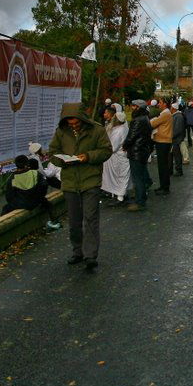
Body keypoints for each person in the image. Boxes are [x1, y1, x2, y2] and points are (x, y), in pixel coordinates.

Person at [49, 103, 112, 271]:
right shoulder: (61, 132)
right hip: (70, 181)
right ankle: (77, 251)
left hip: (90, 180)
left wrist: (89, 156)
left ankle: (90, 255)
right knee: (74, 220)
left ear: (82, 119)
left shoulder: (97, 130)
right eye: (70, 123)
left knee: (91, 218)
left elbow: (106, 150)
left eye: (76, 122)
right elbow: (52, 152)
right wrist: (61, 160)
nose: (73, 125)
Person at [123, 100, 153, 211]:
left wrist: (125, 145)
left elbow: (131, 136)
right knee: (140, 175)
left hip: (136, 151)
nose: (132, 108)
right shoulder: (145, 118)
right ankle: (141, 198)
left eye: (134, 106)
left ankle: (140, 201)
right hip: (142, 151)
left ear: (139, 107)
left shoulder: (138, 120)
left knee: (137, 178)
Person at [1, 155, 52, 221]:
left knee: (5, 208)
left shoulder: (12, 178)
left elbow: (9, 196)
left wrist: (18, 202)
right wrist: (39, 198)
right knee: (47, 203)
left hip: (20, 204)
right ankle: (53, 220)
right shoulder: (35, 173)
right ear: (27, 164)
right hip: (36, 201)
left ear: (16, 165)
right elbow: (44, 186)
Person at [101, 108, 130, 206]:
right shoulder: (122, 127)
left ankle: (120, 197)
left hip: (118, 157)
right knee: (121, 176)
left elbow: (113, 146)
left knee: (120, 176)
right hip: (120, 156)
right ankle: (121, 195)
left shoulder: (119, 130)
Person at [149, 98, 174, 195]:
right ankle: (163, 186)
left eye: (160, 103)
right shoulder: (165, 113)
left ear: (165, 104)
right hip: (163, 141)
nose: (159, 104)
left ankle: (164, 187)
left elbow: (153, 123)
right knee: (163, 165)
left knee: (162, 166)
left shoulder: (165, 114)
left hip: (163, 141)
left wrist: (153, 120)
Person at [170, 101, 186, 176]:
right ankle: (176, 170)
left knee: (177, 155)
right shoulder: (176, 115)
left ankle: (179, 170)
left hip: (176, 139)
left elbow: (178, 129)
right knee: (175, 155)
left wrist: (171, 136)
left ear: (174, 108)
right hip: (175, 139)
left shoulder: (178, 116)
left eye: (171, 107)